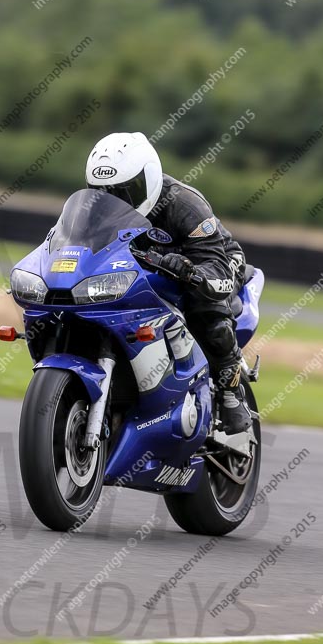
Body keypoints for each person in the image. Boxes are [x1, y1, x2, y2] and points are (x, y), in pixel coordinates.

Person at [85, 131, 252, 435]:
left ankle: (231, 390)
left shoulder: (184, 205)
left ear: (149, 179)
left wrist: (190, 270)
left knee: (204, 305)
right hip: (147, 267)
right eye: (103, 192)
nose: (114, 201)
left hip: (214, 260)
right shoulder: (94, 210)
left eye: (125, 191)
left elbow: (216, 269)